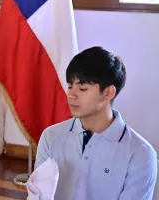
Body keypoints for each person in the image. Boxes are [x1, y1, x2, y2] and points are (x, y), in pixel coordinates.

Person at [35, 46, 157, 199]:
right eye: (70, 86)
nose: (71, 95)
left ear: (108, 93)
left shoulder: (141, 154)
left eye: (82, 88)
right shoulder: (50, 137)